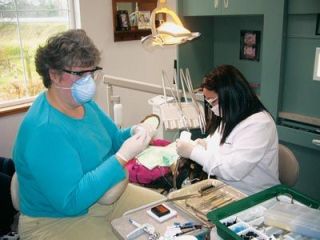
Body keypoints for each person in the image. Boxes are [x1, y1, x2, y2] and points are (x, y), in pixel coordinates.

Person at [12, 29, 164, 240]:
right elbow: (71, 201)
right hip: (56, 220)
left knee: (166, 215)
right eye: (80, 74)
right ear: (54, 75)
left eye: (91, 73)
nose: (89, 81)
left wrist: (134, 132)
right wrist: (122, 157)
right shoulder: (45, 129)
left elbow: (113, 139)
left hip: (102, 197)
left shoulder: (84, 104)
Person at [176, 64, 280, 195]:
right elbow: (220, 145)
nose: (211, 107)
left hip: (254, 196)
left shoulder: (259, 124)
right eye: (207, 102)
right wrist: (203, 144)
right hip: (226, 189)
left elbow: (233, 170)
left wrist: (194, 152)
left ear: (230, 95)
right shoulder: (230, 115)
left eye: (212, 101)